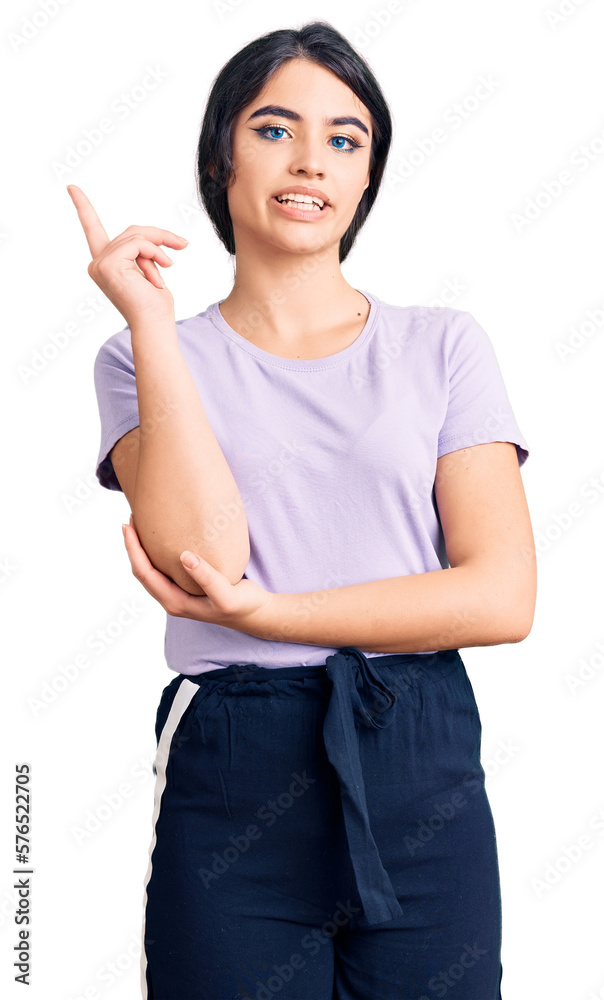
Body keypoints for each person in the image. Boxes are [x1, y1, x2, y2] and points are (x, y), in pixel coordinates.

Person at [69, 20, 536, 1000]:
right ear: (220, 156)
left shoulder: (443, 345)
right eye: (275, 129)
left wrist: (272, 614)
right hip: (237, 759)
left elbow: (500, 597)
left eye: (344, 138)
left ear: (367, 177)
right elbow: (203, 557)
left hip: (418, 753)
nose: (311, 161)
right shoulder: (141, 358)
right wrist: (151, 323)